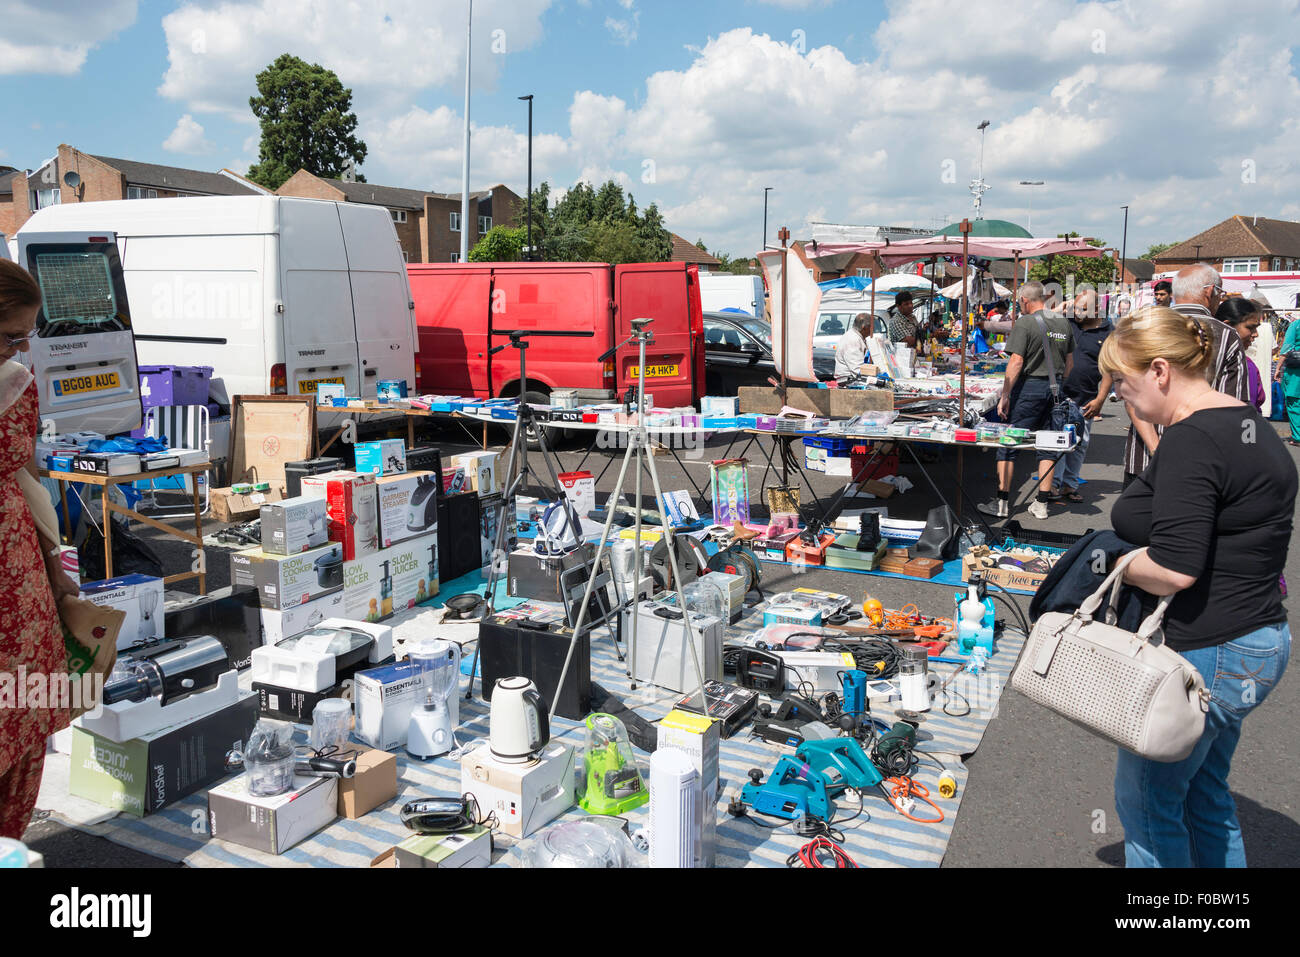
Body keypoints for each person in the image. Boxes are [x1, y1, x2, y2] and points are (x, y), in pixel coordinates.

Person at [1102, 305, 1295, 867]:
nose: (1117, 393)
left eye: (1123, 379)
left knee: (1149, 803)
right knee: (1205, 795)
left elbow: (1175, 567)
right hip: (1254, 637)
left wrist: (1113, 563)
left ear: (1160, 370)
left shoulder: (1194, 439)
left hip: (1206, 647)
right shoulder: (1248, 421)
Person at [0, 260, 80, 840]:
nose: (21, 349)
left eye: (26, 337)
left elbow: (30, 477)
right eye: (9, 337)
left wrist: (57, 569)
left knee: (26, 715)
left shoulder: (14, 385)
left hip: (15, 572)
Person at [1121, 263, 1246, 489]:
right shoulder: (1226, 336)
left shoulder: (1141, 327)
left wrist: (1155, 448)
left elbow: (1130, 396)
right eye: (1220, 294)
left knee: (1136, 521)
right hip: (1200, 463)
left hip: (1142, 460)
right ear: (1210, 292)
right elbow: (1234, 407)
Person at [977, 280, 1074, 520]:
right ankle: (1041, 504)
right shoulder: (1063, 322)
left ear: (1025, 300)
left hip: (1029, 388)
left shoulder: (1026, 322)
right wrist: (1058, 384)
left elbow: (1016, 361)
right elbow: (1070, 364)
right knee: (1048, 444)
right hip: (1056, 389)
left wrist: (1005, 394)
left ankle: (1001, 503)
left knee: (1009, 444)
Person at [1050, 289, 1111, 504]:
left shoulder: (1107, 332)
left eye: (1083, 309)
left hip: (1086, 396)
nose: (1077, 312)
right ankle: (1053, 486)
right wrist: (1061, 307)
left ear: (1097, 310)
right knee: (1056, 442)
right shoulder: (1068, 321)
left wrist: (1101, 399)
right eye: (1075, 307)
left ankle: (1070, 485)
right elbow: (1040, 317)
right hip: (1059, 394)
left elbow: (1109, 371)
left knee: (1080, 443)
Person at [1214, 297, 1267, 410]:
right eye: (1250, 327)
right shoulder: (1244, 365)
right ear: (1227, 326)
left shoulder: (1248, 364)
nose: (1255, 334)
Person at [1276, 315, 1300, 447]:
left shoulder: (1296, 325)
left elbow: (1286, 348)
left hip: (1296, 370)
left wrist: (1278, 368)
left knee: (1294, 401)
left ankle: (1298, 437)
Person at [833, 312, 873, 382]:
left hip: (853, 377)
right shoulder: (853, 340)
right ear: (865, 327)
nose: (873, 329)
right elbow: (857, 369)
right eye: (871, 327)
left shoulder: (857, 337)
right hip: (847, 380)